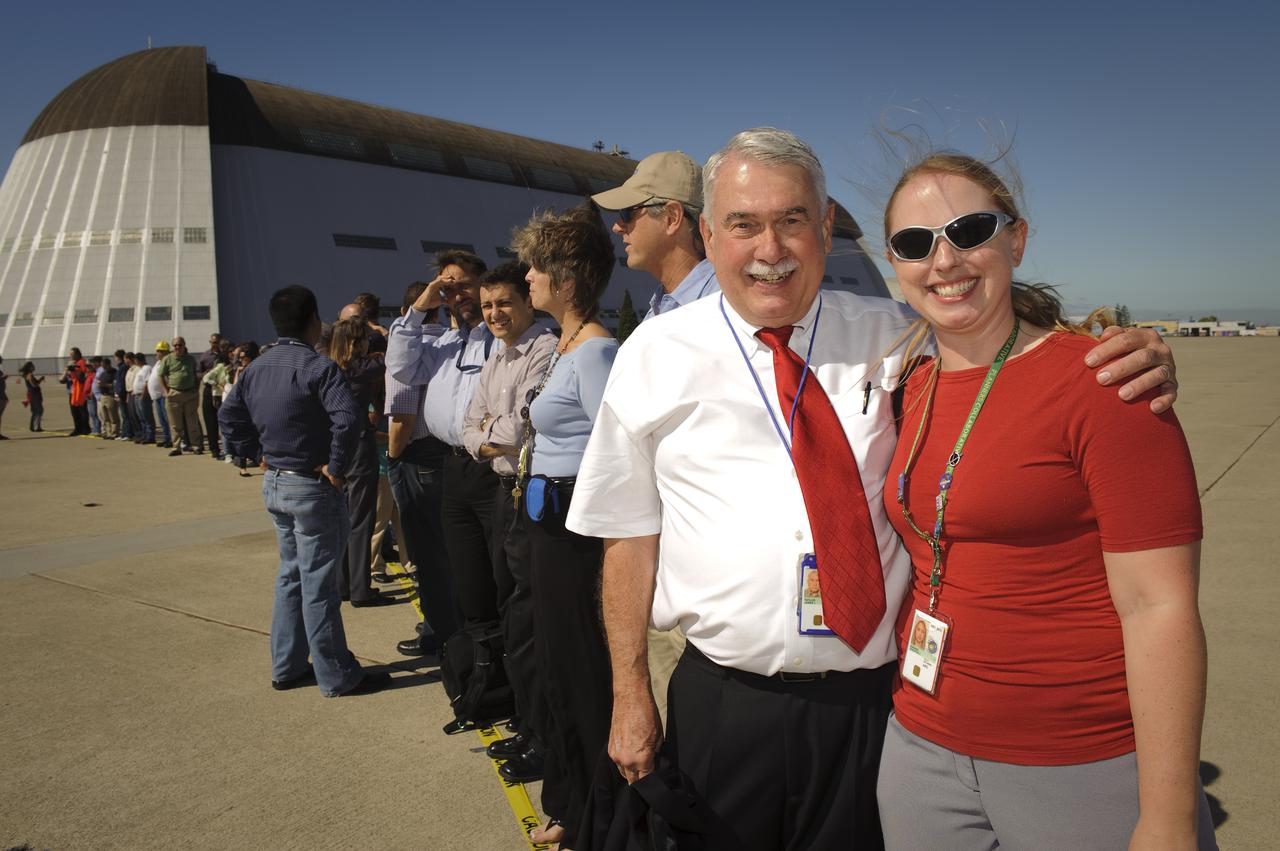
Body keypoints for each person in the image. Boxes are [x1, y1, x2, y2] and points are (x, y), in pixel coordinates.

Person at [566, 128, 1181, 849]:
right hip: (724, 704)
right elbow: (629, 535)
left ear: (825, 226)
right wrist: (629, 690)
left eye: (792, 220)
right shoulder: (654, 355)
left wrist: (1120, 350)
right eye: (744, 224)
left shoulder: (898, 337)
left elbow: (1004, 345)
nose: (771, 248)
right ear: (707, 232)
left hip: (873, 709)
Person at [873, 153, 1214, 850]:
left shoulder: (1104, 385)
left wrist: (1171, 812)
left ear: (1016, 240)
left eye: (968, 230)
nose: (943, 260)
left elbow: (1160, 606)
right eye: (915, 243)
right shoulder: (907, 385)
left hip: (1079, 760)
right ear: (894, 263)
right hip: (920, 747)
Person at [590, 150, 717, 725]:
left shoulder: (720, 309)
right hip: (662, 558)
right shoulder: (664, 307)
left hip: (702, 574)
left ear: (672, 218)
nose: (618, 227)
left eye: (629, 214)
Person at [507, 201, 619, 846]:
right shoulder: (568, 345)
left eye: (536, 268)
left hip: (576, 533)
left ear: (567, 278)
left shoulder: (596, 352)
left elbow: (618, 449)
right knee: (556, 665)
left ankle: (595, 813)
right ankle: (572, 801)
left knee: (579, 670)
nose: (527, 278)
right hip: (548, 523)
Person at [218, 285, 392, 698]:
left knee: (290, 577)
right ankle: (337, 674)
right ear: (314, 320)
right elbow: (347, 421)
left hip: (276, 482)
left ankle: (287, 665)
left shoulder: (256, 367)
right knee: (319, 585)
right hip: (311, 486)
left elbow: (229, 415)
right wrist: (336, 466)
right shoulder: (317, 367)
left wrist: (252, 452)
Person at [461, 261, 556, 782]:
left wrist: (484, 435)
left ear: (527, 302)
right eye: (487, 306)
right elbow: (467, 427)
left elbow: (520, 430)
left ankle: (542, 734)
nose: (494, 314)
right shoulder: (496, 355)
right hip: (501, 491)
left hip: (529, 497)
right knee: (509, 612)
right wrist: (484, 436)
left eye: (504, 303)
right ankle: (527, 721)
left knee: (529, 621)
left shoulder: (545, 350)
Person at [385, 250, 499, 657]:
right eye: (448, 288)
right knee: (459, 563)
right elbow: (399, 367)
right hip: (451, 462)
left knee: (488, 566)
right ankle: (464, 647)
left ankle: (492, 648)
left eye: (464, 285)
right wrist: (422, 304)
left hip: (489, 465)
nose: (457, 295)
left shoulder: (497, 338)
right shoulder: (443, 344)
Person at [328, 318, 395, 607]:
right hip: (360, 445)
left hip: (334, 447)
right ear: (358, 342)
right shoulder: (363, 369)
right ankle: (360, 589)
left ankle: (343, 584)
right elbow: (395, 354)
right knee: (361, 519)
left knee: (341, 518)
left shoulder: (328, 368)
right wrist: (383, 332)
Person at [157, 337, 204, 456]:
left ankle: (196, 446)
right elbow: (161, 375)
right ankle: (176, 447)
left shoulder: (191, 359)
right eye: (175, 345)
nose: (178, 347)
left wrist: (196, 389)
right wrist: (166, 391)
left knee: (192, 421)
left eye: (180, 345)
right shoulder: (167, 359)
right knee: (175, 424)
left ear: (184, 345)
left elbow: (196, 374)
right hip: (174, 394)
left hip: (190, 394)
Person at [148, 341, 173, 448]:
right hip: (156, 396)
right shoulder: (158, 363)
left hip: (163, 395)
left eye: (160, 351)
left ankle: (171, 439)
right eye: (157, 351)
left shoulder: (167, 362)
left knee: (168, 419)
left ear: (166, 352)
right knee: (162, 420)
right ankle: (166, 438)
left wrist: (166, 391)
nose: (157, 353)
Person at [20, 361, 44, 433]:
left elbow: (35, 383)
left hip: (31, 394)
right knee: (39, 410)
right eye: (32, 366)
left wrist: (40, 379)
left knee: (35, 410)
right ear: (29, 367)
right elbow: (34, 384)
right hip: (34, 394)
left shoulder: (27, 375)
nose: (34, 367)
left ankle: (33, 426)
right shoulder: (30, 375)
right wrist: (40, 380)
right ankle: (36, 427)